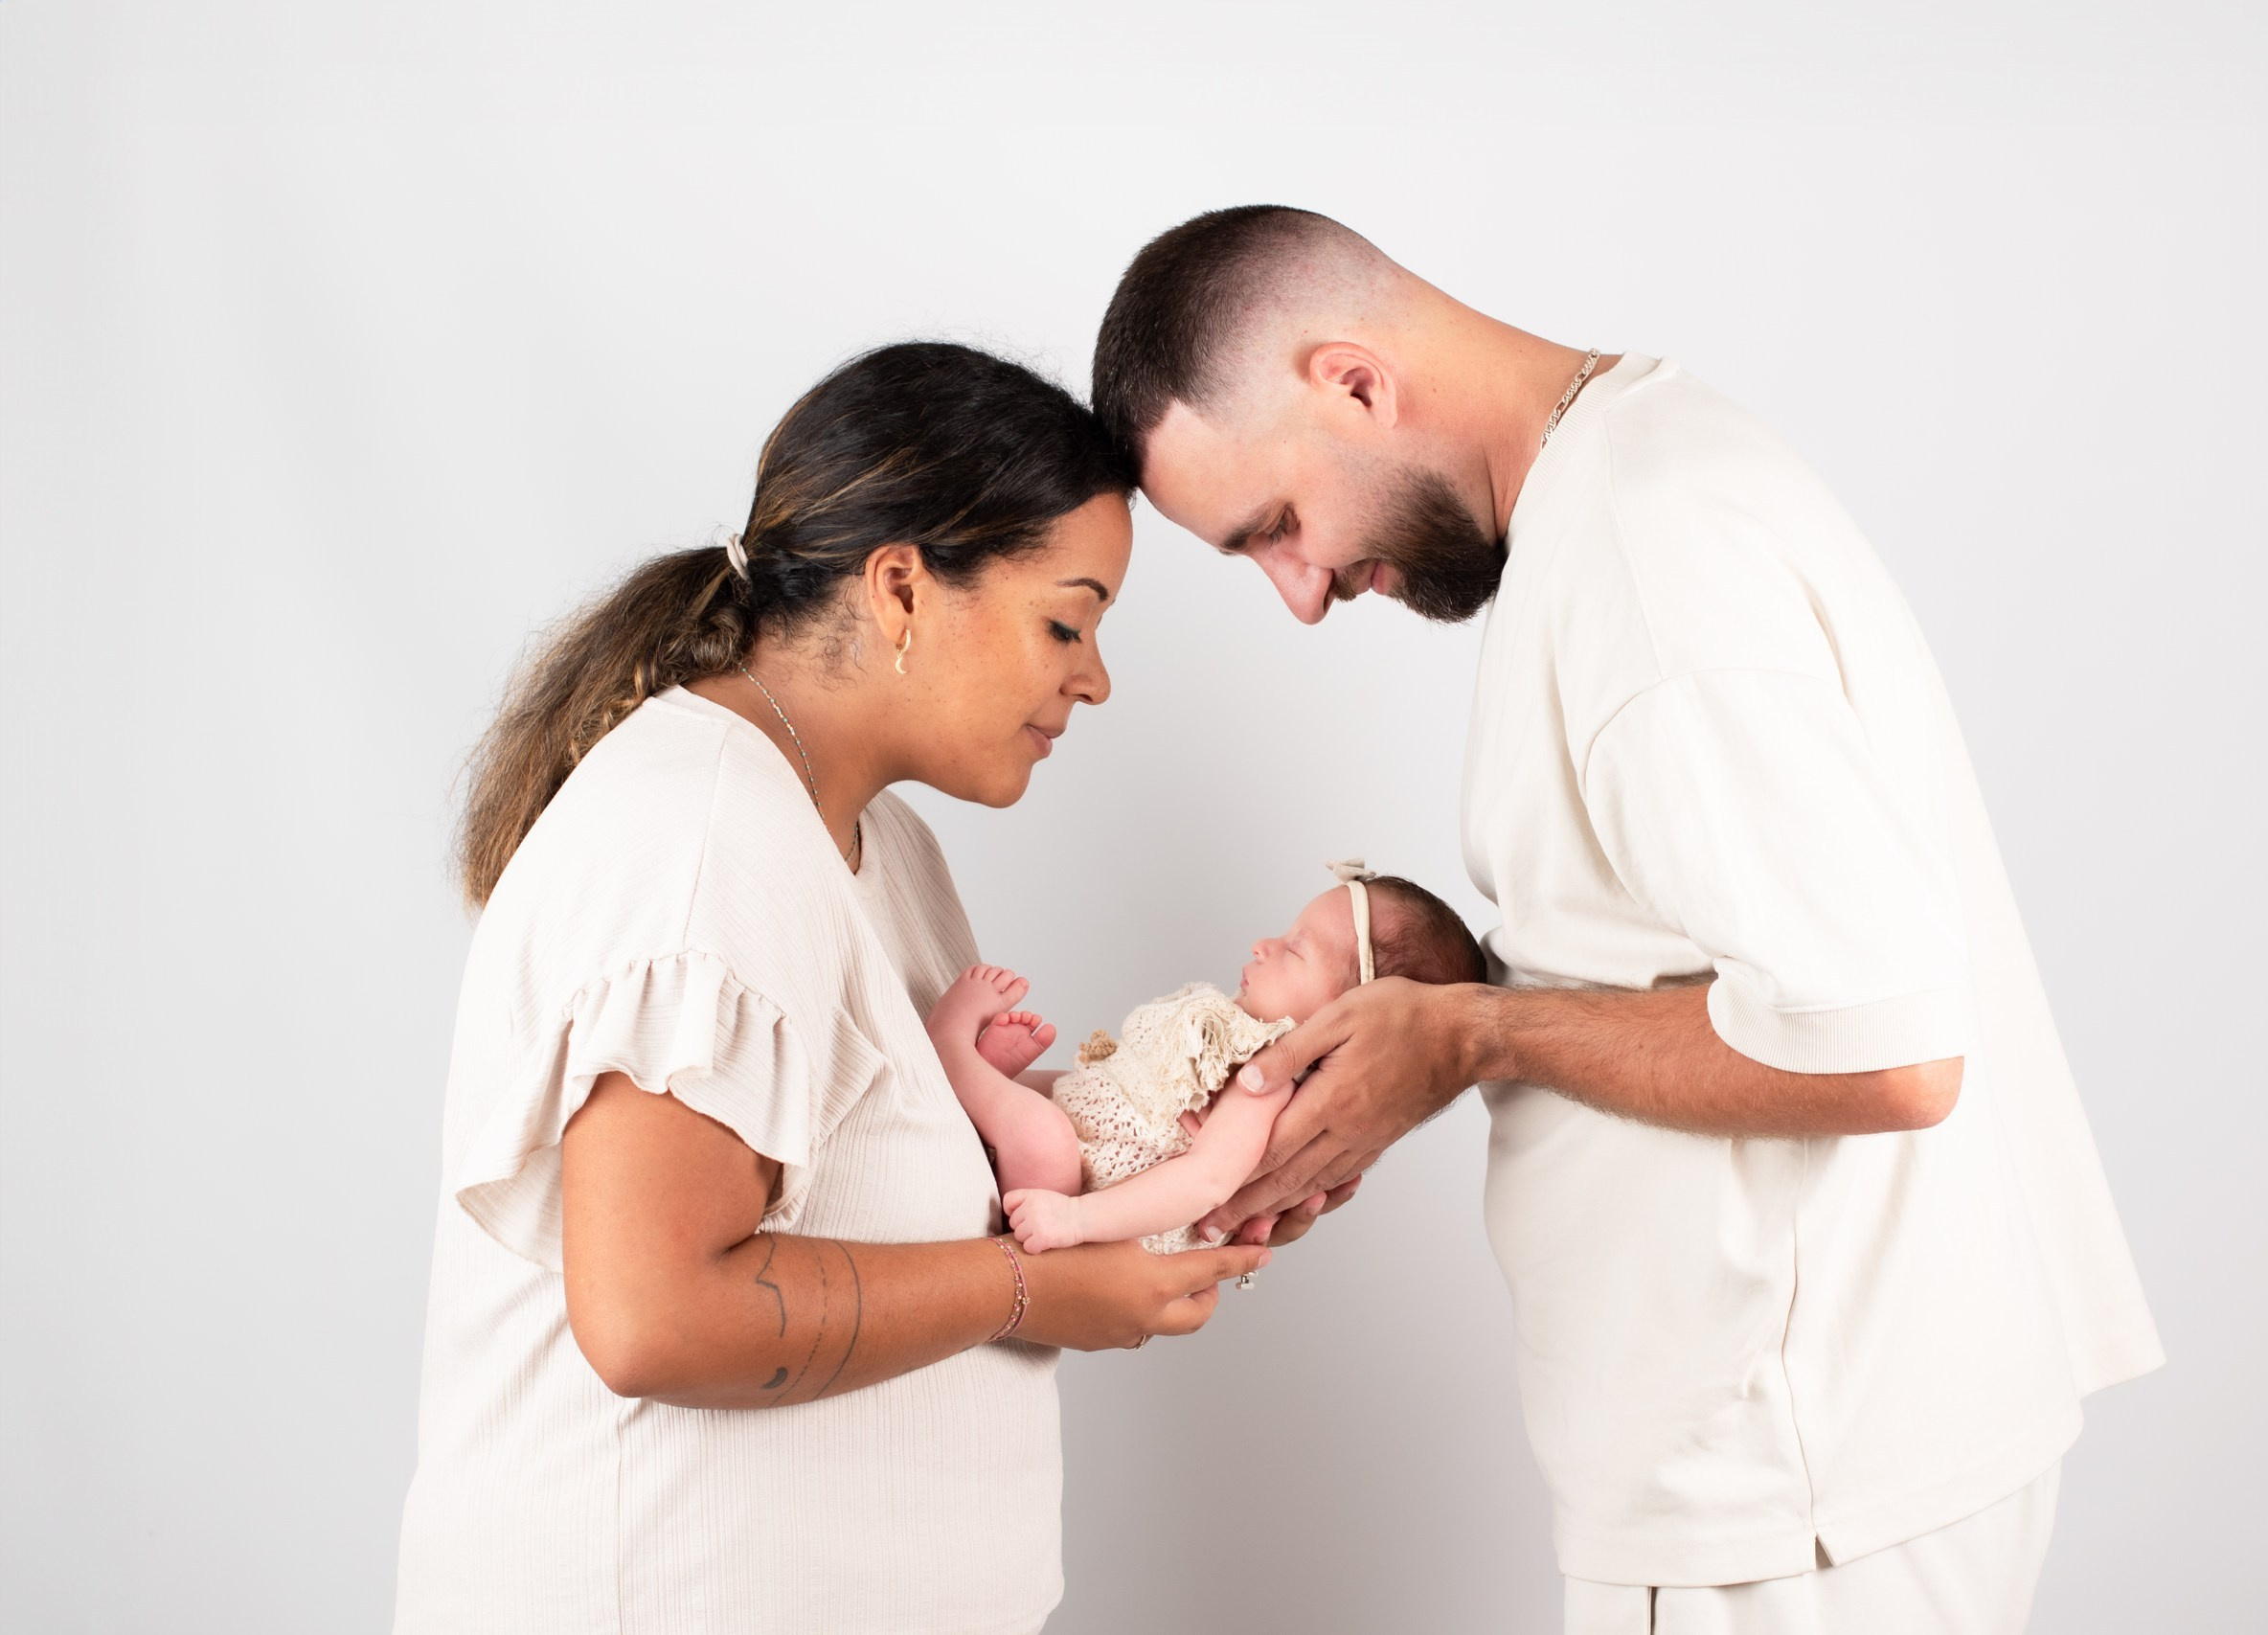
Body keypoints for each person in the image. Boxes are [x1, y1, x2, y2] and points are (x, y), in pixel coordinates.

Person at [1091, 208, 2164, 1634]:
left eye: (1276, 525)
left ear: (1354, 382)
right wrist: (1449, 992)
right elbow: (1726, 950)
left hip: (1789, 1499)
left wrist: (1471, 1033)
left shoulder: (1646, 562)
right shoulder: (1637, 486)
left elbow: (1887, 1053)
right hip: (1814, 1473)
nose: (1299, 592)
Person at [393, 342, 1281, 1635]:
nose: (1093, 676)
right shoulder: (701, 842)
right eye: (1066, 620)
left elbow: (905, 1165)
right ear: (903, 587)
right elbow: (658, 1311)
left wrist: (1197, 1141)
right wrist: (1037, 1289)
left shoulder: (874, 845)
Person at [928, 865, 1484, 1253]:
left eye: (1294, 950)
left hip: (1086, 1202)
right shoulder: (1225, 1029)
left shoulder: (1265, 1080)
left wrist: (1075, 1219)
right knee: (1068, 1091)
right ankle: (1002, 1084)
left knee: (1044, 1134)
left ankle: (952, 1050)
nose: (1262, 945)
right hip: (1092, 1139)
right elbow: (1117, 1086)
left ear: (1350, 1018)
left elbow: (1206, 1182)